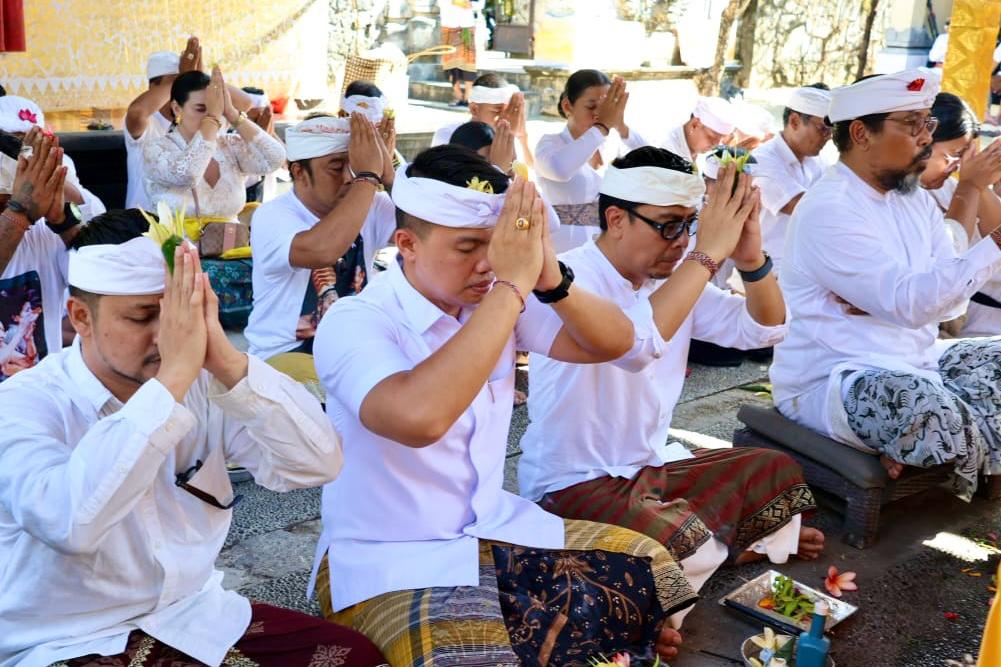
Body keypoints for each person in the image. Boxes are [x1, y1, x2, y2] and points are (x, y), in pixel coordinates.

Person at [309, 145, 696, 665]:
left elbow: (621, 345)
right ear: (407, 244)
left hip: (496, 529)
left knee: (654, 566)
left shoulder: (494, 303)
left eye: (498, 246)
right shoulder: (356, 319)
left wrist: (551, 278)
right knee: (468, 659)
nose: (487, 264)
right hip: (389, 557)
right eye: (468, 246)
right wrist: (511, 285)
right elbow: (417, 418)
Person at [0, 209, 387, 666]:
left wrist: (225, 359)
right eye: (144, 317)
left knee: (359, 659)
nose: (167, 337)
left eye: (180, 315)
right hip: (66, 638)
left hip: (193, 616)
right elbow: (73, 524)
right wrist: (174, 381)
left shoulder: (204, 383)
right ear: (81, 317)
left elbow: (317, 463)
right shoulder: (24, 404)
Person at [520, 148, 822, 622]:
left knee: (774, 469)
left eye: (689, 224)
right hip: (573, 483)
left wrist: (751, 258)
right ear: (616, 219)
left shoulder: (678, 281)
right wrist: (704, 257)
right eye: (667, 225)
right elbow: (635, 341)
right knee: (693, 548)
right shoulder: (565, 281)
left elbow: (765, 329)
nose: (681, 241)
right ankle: (718, 547)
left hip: (652, 467)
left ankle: (704, 546)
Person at [771, 68, 1001, 500]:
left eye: (928, 124)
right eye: (912, 124)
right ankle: (962, 441)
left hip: (918, 361)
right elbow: (917, 304)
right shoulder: (830, 209)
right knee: (917, 404)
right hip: (838, 378)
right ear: (861, 133)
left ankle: (945, 441)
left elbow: (949, 304)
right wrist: (916, 296)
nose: (925, 138)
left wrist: (912, 298)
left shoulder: (913, 200)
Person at [245, 113, 396, 369]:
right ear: (299, 172)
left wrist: (388, 176)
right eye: (337, 167)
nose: (350, 177)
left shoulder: (368, 200)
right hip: (285, 355)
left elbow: (422, 231)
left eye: (354, 166)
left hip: (350, 347)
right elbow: (321, 250)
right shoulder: (272, 215)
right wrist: (368, 177)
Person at [143, 67, 285, 226]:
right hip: (175, 248)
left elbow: (275, 159)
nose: (210, 115)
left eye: (216, 108)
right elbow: (189, 174)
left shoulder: (229, 145)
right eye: (201, 109)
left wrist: (232, 114)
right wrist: (212, 117)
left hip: (232, 246)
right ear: (177, 108)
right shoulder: (156, 149)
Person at [534, 71, 648, 252]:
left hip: (605, 248)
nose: (598, 114)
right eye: (591, 107)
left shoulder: (610, 143)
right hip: (561, 249)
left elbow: (651, 161)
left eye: (605, 108)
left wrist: (619, 124)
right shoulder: (550, 144)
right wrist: (601, 127)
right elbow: (560, 170)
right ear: (567, 106)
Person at [0, 129, 79, 381]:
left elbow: (102, 283)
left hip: (44, 402)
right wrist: (19, 210)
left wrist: (62, 220)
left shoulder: (44, 233)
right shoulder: (20, 215)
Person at [919, 92, 1001, 337]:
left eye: (964, 155)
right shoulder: (899, 195)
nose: (957, 165)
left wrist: (978, 185)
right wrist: (971, 186)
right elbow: (949, 262)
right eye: (954, 153)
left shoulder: (947, 186)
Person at [750, 84, 832, 271]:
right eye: (823, 129)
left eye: (831, 130)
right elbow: (804, 208)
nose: (829, 137)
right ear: (795, 121)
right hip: (767, 268)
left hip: (803, 264)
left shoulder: (817, 161)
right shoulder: (763, 160)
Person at [0, 95, 106, 221]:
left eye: (35, 138)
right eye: (14, 139)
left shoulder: (59, 160)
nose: (26, 145)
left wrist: (46, 170)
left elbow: (94, 215)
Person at [124, 41, 200, 211]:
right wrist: (183, 76)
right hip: (142, 223)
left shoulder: (193, 120)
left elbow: (246, 103)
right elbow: (136, 112)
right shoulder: (148, 122)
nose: (183, 90)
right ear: (153, 88)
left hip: (182, 224)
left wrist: (193, 76)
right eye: (175, 83)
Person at [430, 73, 533, 168]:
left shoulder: (511, 133)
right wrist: (507, 136)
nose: (505, 117)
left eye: (508, 111)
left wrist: (523, 138)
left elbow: (532, 169)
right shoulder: (448, 135)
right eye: (497, 111)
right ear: (474, 109)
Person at [660, 96, 735, 165]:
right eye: (711, 137)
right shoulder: (667, 152)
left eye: (722, 138)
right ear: (695, 124)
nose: (716, 144)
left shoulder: (696, 150)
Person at [438, 0, 481, 106]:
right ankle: (457, 95)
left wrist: (472, 4)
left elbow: (480, 3)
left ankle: (468, 96)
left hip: (466, 26)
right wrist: (455, 2)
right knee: (450, 61)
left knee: (468, 60)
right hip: (448, 25)